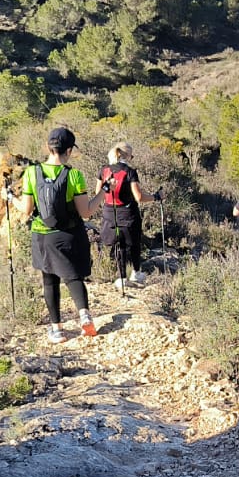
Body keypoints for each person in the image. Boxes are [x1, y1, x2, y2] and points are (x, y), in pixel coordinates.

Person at [11, 126, 107, 342]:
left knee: (49, 280)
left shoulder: (31, 173)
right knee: (73, 276)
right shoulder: (74, 175)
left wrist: (10, 198)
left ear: (48, 147)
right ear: (69, 150)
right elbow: (86, 212)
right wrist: (103, 192)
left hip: (43, 235)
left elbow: (26, 209)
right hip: (69, 234)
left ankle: (57, 330)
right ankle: (85, 316)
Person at [95, 143, 150, 290]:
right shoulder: (130, 172)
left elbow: (98, 193)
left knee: (118, 244)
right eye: (131, 156)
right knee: (133, 242)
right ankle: (136, 273)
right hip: (128, 213)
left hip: (109, 212)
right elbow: (138, 197)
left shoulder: (104, 170)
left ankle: (121, 278)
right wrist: (156, 197)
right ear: (126, 156)